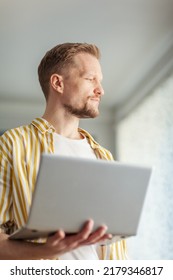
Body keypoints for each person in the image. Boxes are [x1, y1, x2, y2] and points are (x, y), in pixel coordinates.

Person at [0, 43, 127, 260]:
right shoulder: (13, 143)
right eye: (90, 79)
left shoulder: (104, 156)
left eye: (100, 81)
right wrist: (46, 251)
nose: (101, 90)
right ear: (58, 83)